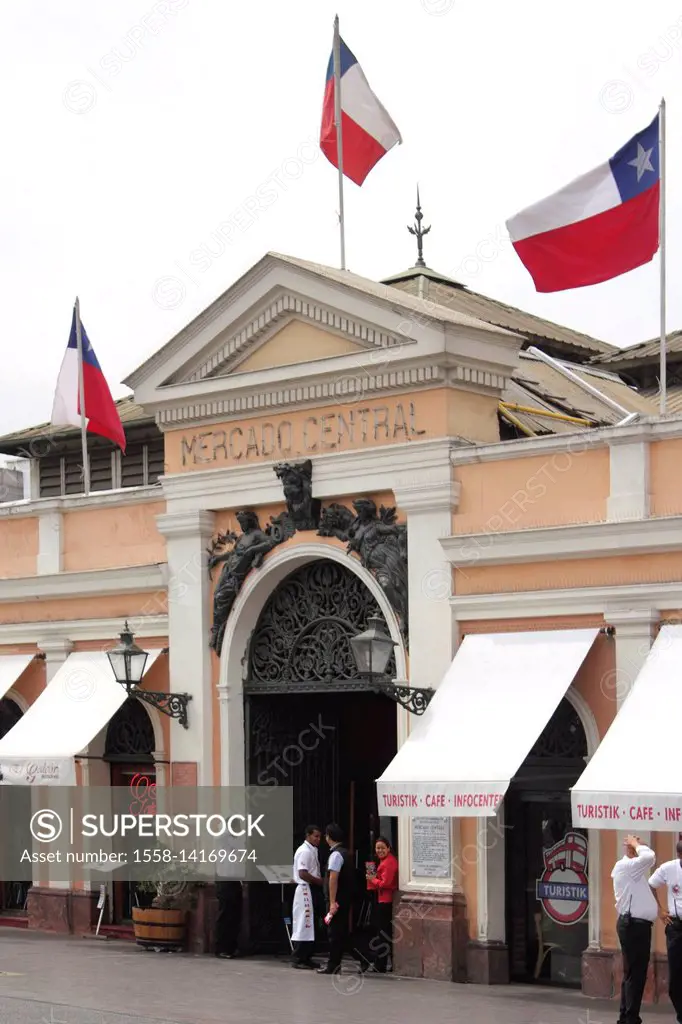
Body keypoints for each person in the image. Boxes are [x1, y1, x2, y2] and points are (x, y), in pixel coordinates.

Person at [611, 833, 656, 1024]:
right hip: (633, 926)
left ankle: (626, 1017)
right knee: (635, 975)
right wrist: (636, 844)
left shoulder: (632, 871)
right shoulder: (626, 867)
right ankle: (631, 1018)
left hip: (635, 926)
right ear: (631, 850)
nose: (640, 849)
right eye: (637, 847)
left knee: (632, 974)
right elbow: (649, 857)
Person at [649, 839, 682, 1023]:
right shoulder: (669, 868)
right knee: (676, 976)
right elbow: (651, 884)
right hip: (676, 927)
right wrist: (660, 910)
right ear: (679, 855)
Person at [317, 823, 355, 975]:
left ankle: (333, 964)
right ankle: (336, 963)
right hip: (344, 899)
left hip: (337, 901)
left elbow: (333, 878)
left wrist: (332, 902)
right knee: (340, 932)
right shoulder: (346, 853)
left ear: (329, 837)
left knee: (334, 933)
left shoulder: (336, 855)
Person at [365, 836, 399, 973]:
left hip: (385, 901)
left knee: (383, 933)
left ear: (388, 848)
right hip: (381, 899)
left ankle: (381, 963)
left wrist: (373, 880)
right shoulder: (383, 861)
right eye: (377, 848)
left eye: (382, 848)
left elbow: (386, 883)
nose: (380, 850)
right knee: (382, 932)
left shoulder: (389, 862)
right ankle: (382, 962)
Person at [291, 824, 323, 969]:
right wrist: (320, 882)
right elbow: (302, 873)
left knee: (310, 923)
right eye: (315, 836)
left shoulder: (313, 850)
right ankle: (299, 957)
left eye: (319, 837)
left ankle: (307, 956)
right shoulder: (305, 851)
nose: (318, 839)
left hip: (311, 889)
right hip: (305, 889)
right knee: (304, 922)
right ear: (308, 836)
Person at [214, 880, 243, 959]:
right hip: (225, 884)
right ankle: (222, 949)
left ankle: (231, 948)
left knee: (234, 917)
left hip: (235, 883)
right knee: (226, 916)